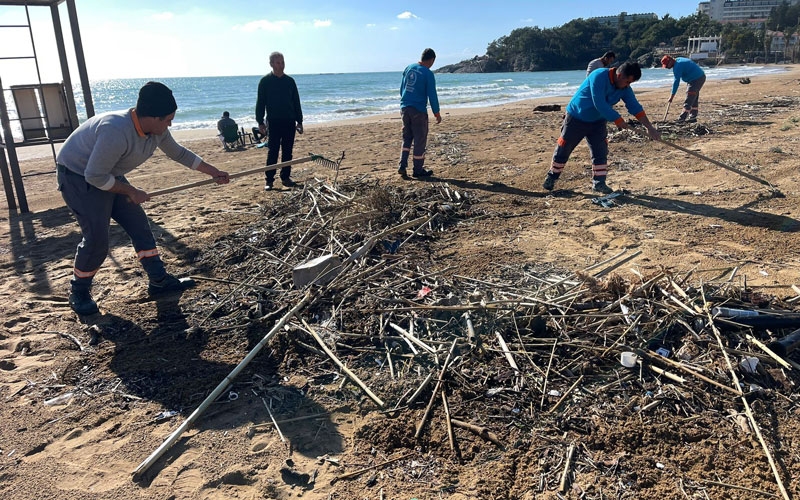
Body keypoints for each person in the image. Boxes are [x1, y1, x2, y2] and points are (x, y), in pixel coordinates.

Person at [56, 81, 230, 315]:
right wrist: (130, 191)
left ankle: (158, 280)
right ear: (153, 118)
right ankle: (78, 292)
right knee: (97, 240)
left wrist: (213, 172)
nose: (171, 123)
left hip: (107, 173)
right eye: (168, 119)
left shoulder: (157, 131)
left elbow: (178, 153)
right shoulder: (115, 131)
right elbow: (94, 176)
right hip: (78, 176)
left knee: (138, 224)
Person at [542, 61, 661, 194]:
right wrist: (617, 119)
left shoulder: (625, 89)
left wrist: (649, 127)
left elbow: (635, 107)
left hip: (598, 121)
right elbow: (599, 102)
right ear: (620, 75)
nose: (628, 86)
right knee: (564, 146)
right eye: (627, 82)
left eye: (630, 83)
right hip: (576, 117)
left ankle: (599, 183)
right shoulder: (598, 76)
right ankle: (552, 176)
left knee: (600, 151)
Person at [255, 51, 303, 190]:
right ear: (271, 64)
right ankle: (269, 180)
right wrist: (260, 122)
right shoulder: (265, 81)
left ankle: (285, 177)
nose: (281, 65)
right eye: (278, 62)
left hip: (289, 121)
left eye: (282, 62)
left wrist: (299, 121)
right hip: (274, 121)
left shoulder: (290, 81)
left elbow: (296, 102)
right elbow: (260, 103)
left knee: (288, 151)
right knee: (273, 151)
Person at [398, 47, 441, 179]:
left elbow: (402, 88)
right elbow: (432, 95)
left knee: (407, 138)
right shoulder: (428, 73)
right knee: (419, 140)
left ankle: (402, 165)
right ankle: (418, 170)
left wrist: (404, 102)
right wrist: (436, 112)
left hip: (405, 108)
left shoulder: (409, 68)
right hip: (418, 110)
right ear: (432, 60)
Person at [661, 55, 706, 123]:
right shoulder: (678, 60)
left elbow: (676, 82)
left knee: (689, 97)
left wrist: (672, 96)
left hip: (696, 79)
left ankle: (682, 119)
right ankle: (692, 117)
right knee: (693, 98)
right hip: (698, 77)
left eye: (667, 65)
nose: (667, 67)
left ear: (670, 61)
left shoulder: (677, 66)